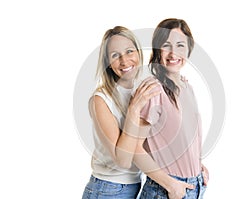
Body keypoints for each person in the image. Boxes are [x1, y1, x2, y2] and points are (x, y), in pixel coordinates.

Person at [81, 26, 161, 199]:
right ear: (107, 63)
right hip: (107, 189)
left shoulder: (142, 89)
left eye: (129, 51)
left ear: (138, 53)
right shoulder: (100, 100)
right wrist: (133, 110)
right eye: (115, 55)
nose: (124, 61)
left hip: (135, 185)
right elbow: (123, 161)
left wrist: (192, 166)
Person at [134, 18, 209, 199]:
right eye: (166, 45)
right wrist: (171, 185)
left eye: (180, 45)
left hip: (193, 186)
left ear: (188, 49)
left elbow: (185, 138)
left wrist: (198, 165)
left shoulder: (187, 88)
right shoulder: (152, 90)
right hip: (165, 190)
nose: (173, 53)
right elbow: (135, 149)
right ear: (157, 50)